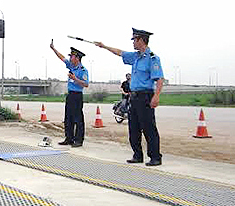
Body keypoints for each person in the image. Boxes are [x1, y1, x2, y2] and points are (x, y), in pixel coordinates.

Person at [94, 28, 164, 166]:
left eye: (134, 40)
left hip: (145, 96)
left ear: (141, 40)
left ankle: (155, 157)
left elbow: (160, 79)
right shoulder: (135, 57)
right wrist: (104, 46)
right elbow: (120, 53)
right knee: (134, 128)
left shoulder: (152, 59)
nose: (133, 43)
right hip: (134, 97)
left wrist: (156, 96)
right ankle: (137, 155)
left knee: (149, 128)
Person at [50, 40, 89, 147]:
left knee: (78, 119)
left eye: (72, 56)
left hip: (77, 95)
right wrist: (54, 49)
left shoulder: (83, 70)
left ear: (77, 58)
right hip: (70, 95)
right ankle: (69, 138)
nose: (70, 58)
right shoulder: (71, 66)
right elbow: (62, 58)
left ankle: (78, 140)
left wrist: (75, 78)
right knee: (68, 118)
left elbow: (86, 84)